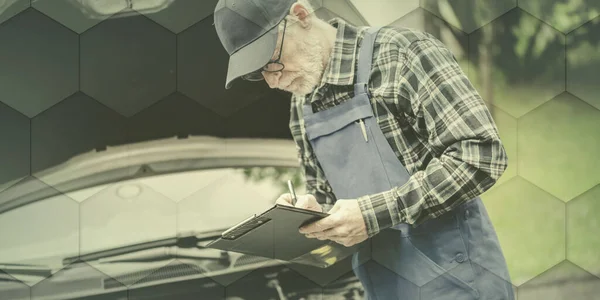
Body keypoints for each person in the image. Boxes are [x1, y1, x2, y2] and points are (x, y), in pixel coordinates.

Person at [214, 0, 515, 299]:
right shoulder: (301, 105)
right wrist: (313, 216)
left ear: (301, 15)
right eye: (258, 73)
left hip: (460, 284)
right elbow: (330, 202)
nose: (272, 81)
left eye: (272, 60)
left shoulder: (403, 54)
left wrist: (375, 214)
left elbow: (480, 154)